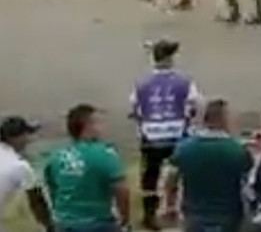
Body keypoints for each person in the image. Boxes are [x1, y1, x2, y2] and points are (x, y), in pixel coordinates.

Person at [129, 39, 203, 230]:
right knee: (182, 173)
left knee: (150, 177)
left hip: (151, 138)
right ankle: (178, 209)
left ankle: (149, 215)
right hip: (177, 137)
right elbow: (194, 105)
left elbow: (134, 108)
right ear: (170, 58)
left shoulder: (141, 83)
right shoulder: (184, 81)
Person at [163, 100, 252, 232]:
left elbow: (171, 178)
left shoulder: (184, 149)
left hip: (194, 217)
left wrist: (170, 204)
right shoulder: (238, 151)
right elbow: (249, 185)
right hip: (229, 218)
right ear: (224, 120)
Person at [44, 104, 132, 232]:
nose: (103, 127)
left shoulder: (55, 156)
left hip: (64, 223)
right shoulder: (105, 154)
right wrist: (125, 219)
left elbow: (53, 190)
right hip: (96, 222)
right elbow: (121, 190)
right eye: (99, 122)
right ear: (89, 126)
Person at [0, 116, 52, 232]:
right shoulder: (19, 166)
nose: (28, 139)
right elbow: (37, 202)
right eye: (25, 135)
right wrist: (49, 227)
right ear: (14, 138)